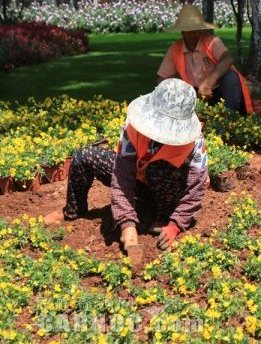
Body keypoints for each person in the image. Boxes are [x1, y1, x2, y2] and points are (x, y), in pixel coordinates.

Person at [45, 79, 209, 263]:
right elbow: (122, 176)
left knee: (159, 167)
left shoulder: (193, 142)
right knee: (84, 156)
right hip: (141, 181)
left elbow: (196, 189)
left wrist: (176, 224)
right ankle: (74, 210)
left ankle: (163, 217)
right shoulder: (134, 127)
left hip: (170, 190)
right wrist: (127, 224)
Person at [157, 4, 254, 114]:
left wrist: (208, 82)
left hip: (220, 91)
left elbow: (227, 59)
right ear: (182, 31)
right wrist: (173, 93)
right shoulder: (175, 49)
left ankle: (231, 118)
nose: (193, 34)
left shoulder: (211, 41)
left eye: (196, 30)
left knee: (230, 77)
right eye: (189, 31)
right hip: (195, 94)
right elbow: (162, 78)